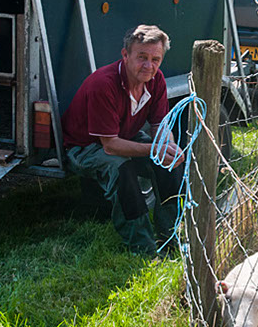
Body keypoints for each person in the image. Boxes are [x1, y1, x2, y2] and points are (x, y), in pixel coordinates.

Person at [62, 25, 184, 255]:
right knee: (122, 170)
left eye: (155, 59)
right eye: (142, 57)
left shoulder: (156, 80)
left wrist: (168, 145)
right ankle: (143, 248)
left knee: (171, 164)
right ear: (125, 55)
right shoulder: (104, 84)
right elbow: (110, 145)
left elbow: (160, 124)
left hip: (123, 134)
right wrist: (154, 148)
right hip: (85, 146)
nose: (149, 66)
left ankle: (169, 238)